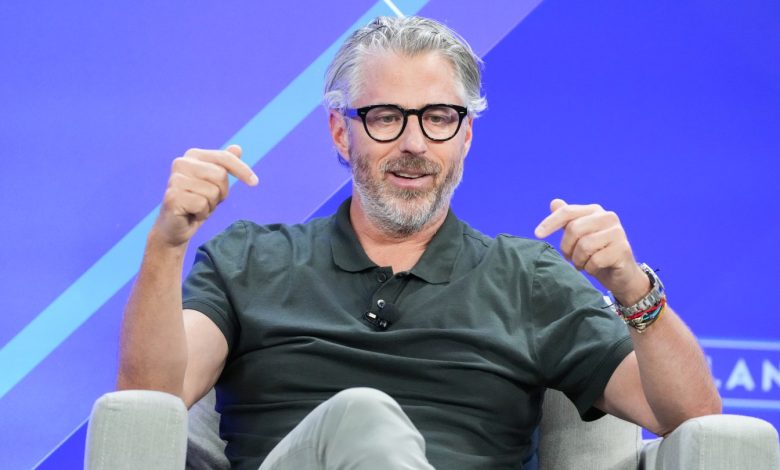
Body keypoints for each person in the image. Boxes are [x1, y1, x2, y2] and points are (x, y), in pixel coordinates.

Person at [116, 16, 721, 470]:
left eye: (438, 118)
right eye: (386, 117)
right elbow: (150, 402)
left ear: (466, 139)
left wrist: (631, 288)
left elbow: (693, 421)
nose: (414, 143)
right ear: (340, 133)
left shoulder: (527, 278)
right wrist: (166, 245)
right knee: (362, 415)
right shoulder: (249, 259)